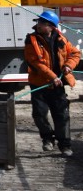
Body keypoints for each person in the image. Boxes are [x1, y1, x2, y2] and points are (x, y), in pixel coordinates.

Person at [24, 10, 80, 156]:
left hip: (58, 86)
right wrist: (52, 77)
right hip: (39, 84)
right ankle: (47, 139)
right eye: (39, 22)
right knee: (39, 115)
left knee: (62, 115)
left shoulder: (61, 39)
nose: (39, 25)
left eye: (42, 23)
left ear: (51, 26)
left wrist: (68, 65)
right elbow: (35, 62)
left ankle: (65, 145)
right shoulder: (31, 40)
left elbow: (75, 54)